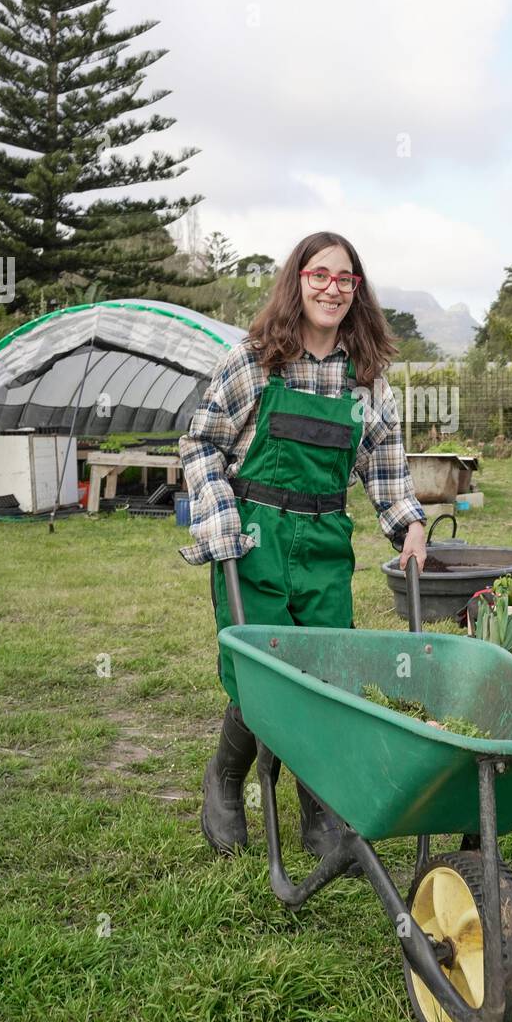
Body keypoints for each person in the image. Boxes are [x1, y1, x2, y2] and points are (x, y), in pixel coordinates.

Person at [178, 231, 428, 867]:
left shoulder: (364, 379)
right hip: (255, 536)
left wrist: (411, 527)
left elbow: (387, 466)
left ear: (356, 292)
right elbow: (201, 442)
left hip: (321, 540)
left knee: (328, 675)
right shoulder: (255, 362)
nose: (331, 288)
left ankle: (319, 804)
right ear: (298, 281)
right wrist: (219, 513)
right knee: (263, 674)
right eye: (320, 275)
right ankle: (227, 779)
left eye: (345, 279)